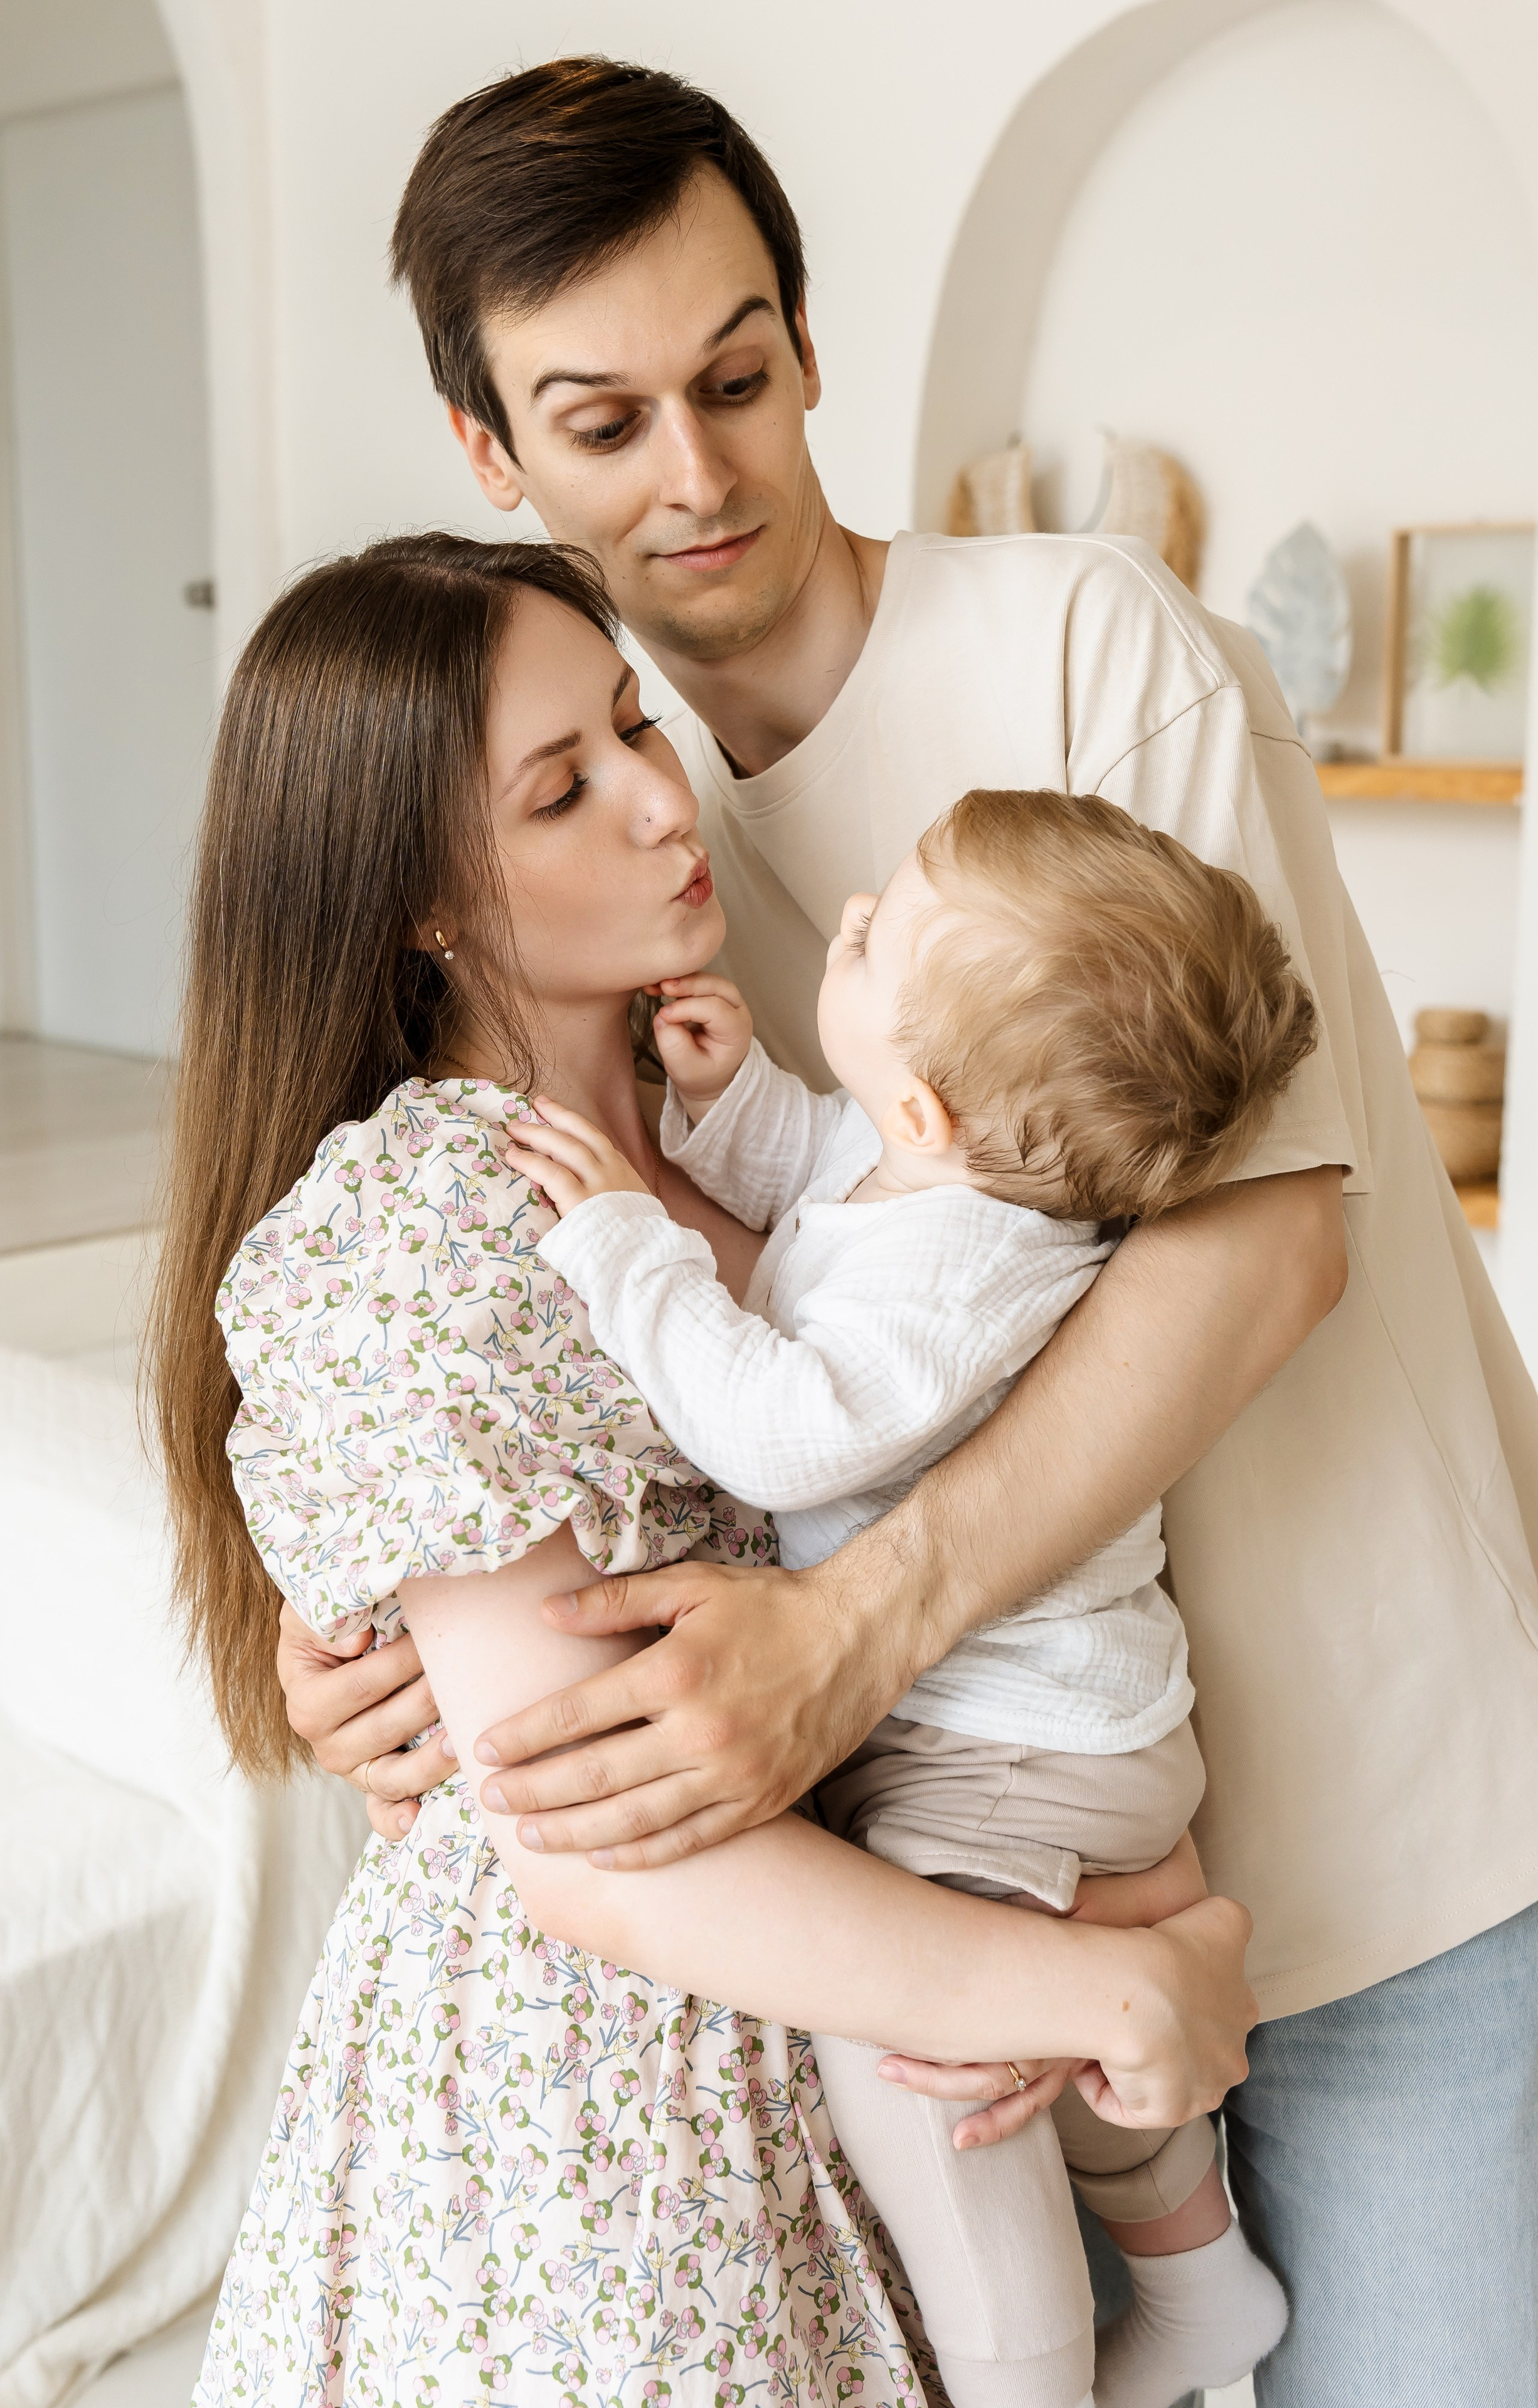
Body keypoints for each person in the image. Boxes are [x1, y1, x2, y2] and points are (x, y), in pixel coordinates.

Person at [277, 59, 1538, 2404]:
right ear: (488, 451)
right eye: (604, 417)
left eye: (738, 378)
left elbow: (1257, 1248)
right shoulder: (597, 835)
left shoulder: (1089, 652)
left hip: (1368, 1831)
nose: (697, 473)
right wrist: (383, 1644)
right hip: (954, 1910)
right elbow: (498, 1336)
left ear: (809, 342)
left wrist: (843, 1641)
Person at [156, 532, 1253, 2404]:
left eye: (637, 731)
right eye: (565, 787)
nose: (666, 806)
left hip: (857, 2027)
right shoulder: (430, 1218)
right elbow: (597, 1864)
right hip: (602, 2138)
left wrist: (1140, 1913)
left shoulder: (798, 1155)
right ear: (421, 898)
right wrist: (1116, 1990)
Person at [506, 781, 1312, 2408]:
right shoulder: (973, 1198)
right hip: (1086, 1733)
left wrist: (622, 1243)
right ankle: (1202, 2284)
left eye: (873, 932)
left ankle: (1024, 2381)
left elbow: (785, 1431)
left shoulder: (951, 1283)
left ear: (934, 1112)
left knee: (921, 2072)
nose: (846, 924)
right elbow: (835, 1181)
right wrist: (735, 1109)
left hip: (991, 1748)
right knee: (1079, 2068)